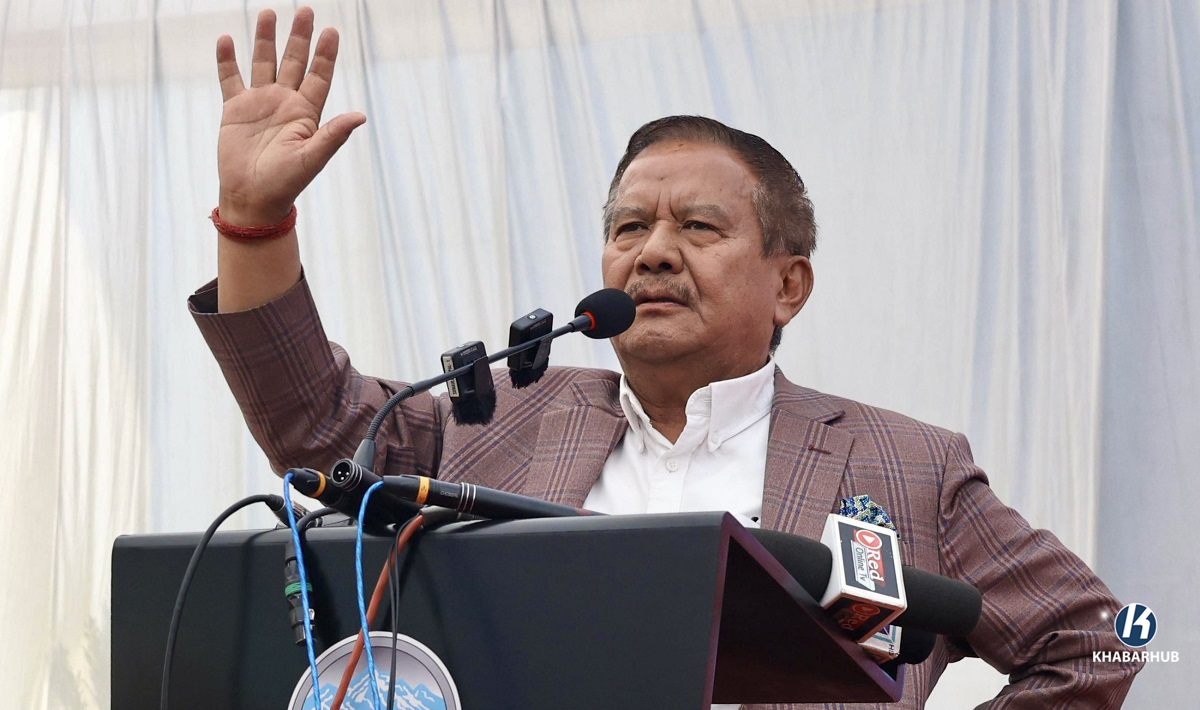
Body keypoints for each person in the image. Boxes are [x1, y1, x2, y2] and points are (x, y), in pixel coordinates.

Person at [189, 7, 1142, 709]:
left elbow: (1096, 639)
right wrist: (255, 223)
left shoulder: (910, 468)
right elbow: (318, 426)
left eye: (698, 227)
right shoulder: (493, 421)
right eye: (628, 227)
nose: (651, 253)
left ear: (789, 285)